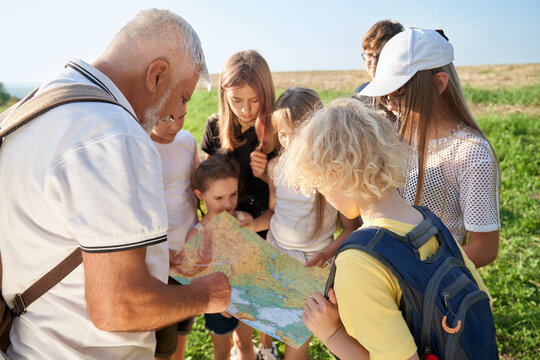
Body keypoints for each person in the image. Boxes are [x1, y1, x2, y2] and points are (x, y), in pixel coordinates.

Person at [0, 9, 231, 359]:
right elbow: (120, 307)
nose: (175, 113)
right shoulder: (113, 134)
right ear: (157, 74)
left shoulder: (42, 104)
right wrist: (208, 295)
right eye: (183, 97)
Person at [276, 98, 493, 359]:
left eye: (320, 186)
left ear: (335, 173)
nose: (323, 195)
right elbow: (482, 306)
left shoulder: (359, 261)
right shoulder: (429, 223)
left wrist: (331, 332)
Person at [360, 28, 500, 267]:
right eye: (385, 97)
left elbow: (484, 248)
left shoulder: (471, 152)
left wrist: (415, 271)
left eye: (400, 96)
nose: (391, 107)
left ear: (438, 84)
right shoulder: (393, 135)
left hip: (429, 291)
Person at [244, 88, 359, 360]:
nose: (288, 141)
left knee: (296, 347)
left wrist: (325, 255)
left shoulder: (332, 176)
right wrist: (251, 226)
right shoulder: (275, 167)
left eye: (295, 134)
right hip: (276, 255)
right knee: (270, 316)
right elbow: (273, 211)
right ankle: (266, 351)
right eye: (282, 134)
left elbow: (351, 228)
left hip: (311, 266)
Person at [200, 49, 278, 359]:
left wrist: (268, 172)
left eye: (254, 101)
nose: (245, 109)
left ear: (267, 94)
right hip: (229, 227)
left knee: (259, 294)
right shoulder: (215, 127)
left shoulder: (275, 130)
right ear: (224, 96)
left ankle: (264, 346)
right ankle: (240, 347)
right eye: (236, 101)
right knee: (231, 298)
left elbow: (285, 190)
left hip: (263, 224)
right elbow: (208, 181)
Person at [186, 155, 253, 360]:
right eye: (218, 198)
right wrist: (219, 305)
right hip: (216, 305)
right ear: (200, 195)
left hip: (246, 298)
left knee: (246, 345)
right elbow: (194, 278)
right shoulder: (196, 235)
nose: (228, 203)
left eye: (233, 195)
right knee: (221, 353)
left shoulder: (244, 221)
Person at [151, 117, 200, 359]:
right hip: (161, 259)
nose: (174, 125)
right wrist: (158, 251)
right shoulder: (141, 147)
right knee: (163, 340)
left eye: (180, 116)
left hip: (189, 253)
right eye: (165, 119)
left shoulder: (187, 141)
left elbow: (195, 188)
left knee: (184, 327)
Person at [355, 20, 404, 95]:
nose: (374, 61)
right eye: (369, 55)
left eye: (381, 56)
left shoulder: (403, 94)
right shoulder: (362, 92)